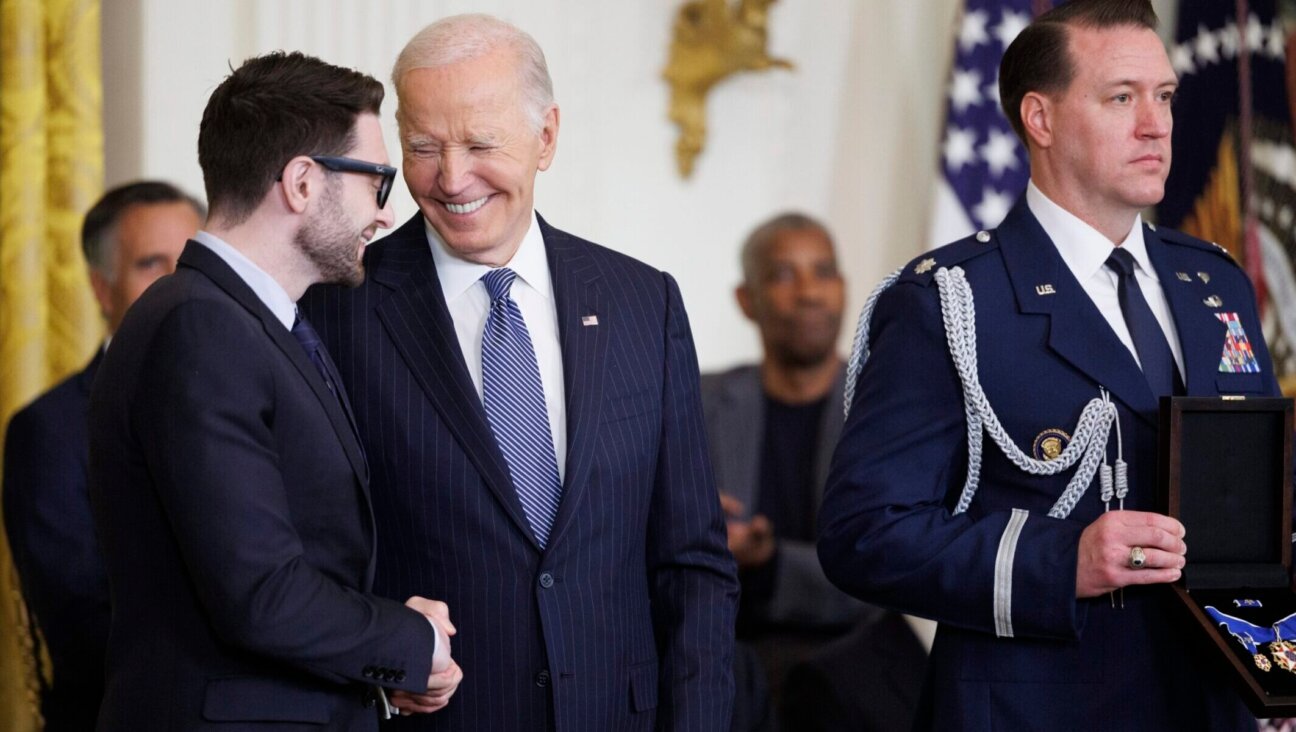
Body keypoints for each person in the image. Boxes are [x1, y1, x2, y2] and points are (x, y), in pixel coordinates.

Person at [819, 0, 1267, 728]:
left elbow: (1256, 500)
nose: (1156, 125)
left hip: (1213, 705)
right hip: (1035, 710)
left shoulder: (1213, 283)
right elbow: (863, 534)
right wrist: (1062, 561)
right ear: (1041, 119)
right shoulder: (952, 301)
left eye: (1164, 97)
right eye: (1122, 98)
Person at [299, 14, 738, 731]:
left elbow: (693, 563)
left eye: (479, 143)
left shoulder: (640, 301)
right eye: (421, 147)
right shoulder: (335, 309)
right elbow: (307, 560)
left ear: (547, 137)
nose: (450, 177)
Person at [87, 51, 461, 729]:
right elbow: (259, 592)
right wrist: (413, 641)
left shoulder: (246, 322)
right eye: (378, 182)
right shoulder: (202, 325)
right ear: (302, 182)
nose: (385, 213)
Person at [3, 180, 203, 732]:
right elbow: (83, 628)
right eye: (149, 263)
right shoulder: (50, 430)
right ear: (100, 287)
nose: (176, 282)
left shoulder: (257, 398)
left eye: (189, 259)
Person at [700, 213, 869, 699]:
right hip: (725, 656)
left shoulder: (884, 408)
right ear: (746, 299)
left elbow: (877, 573)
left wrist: (771, 561)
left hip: (855, 658)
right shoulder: (696, 400)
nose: (809, 292)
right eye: (782, 275)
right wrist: (697, 528)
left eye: (823, 272)